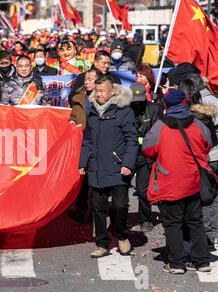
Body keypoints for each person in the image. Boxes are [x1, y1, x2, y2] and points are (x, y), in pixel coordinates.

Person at [142, 89, 212, 274]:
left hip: (170, 180)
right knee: (195, 221)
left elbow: (148, 148)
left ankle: (177, 263)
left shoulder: (160, 126)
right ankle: (202, 261)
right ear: (185, 103)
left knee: (173, 223)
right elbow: (207, 144)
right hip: (193, 180)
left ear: (166, 105)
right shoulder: (197, 124)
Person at [79, 75, 138, 258]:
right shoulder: (92, 112)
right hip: (96, 167)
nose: (98, 94)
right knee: (98, 207)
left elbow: (132, 140)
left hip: (118, 166)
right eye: (96, 91)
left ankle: (121, 234)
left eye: (102, 91)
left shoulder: (124, 111)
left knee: (120, 206)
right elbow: (86, 141)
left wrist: (128, 163)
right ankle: (102, 243)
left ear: (112, 92)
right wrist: (82, 163)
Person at [179, 79, 218, 247]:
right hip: (211, 158)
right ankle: (210, 234)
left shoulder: (190, 118)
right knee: (210, 197)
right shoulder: (206, 114)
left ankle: (202, 237)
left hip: (199, 161)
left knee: (198, 200)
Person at [129, 83, 164, 232]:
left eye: (139, 99)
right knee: (121, 190)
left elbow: (157, 132)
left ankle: (145, 219)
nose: (137, 103)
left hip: (146, 155)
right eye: (134, 100)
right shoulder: (124, 110)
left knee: (143, 190)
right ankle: (121, 220)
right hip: (128, 155)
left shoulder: (154, 110)